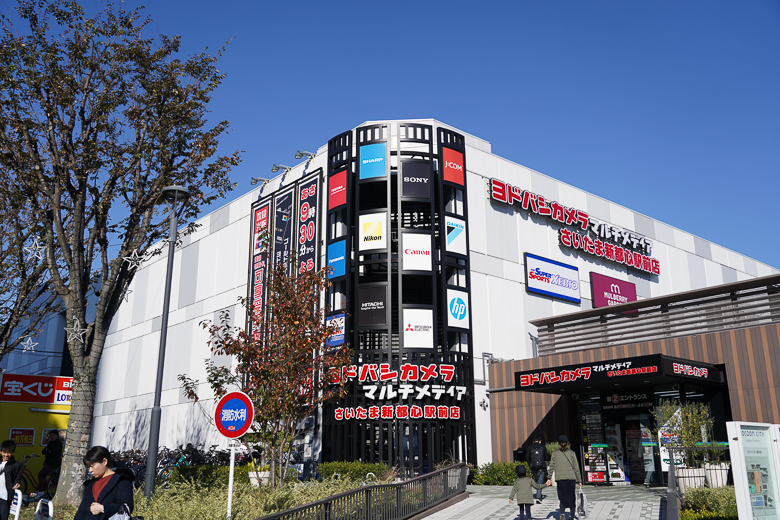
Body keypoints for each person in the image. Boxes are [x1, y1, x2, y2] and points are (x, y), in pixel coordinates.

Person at [73, 446, 134, 520]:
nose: (90, 470)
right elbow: (81, 512)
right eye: (88, 467)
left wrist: (103, 508)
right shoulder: (90, 485)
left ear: (104, 461)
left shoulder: (121, 481)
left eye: (92, 466)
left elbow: (127, 507)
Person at [548, 434, 582, 520]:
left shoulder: (554, 453)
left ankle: (562, 513)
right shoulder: (572, 453)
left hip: (560, 478)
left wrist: (549, 477)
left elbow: (551, 466)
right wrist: (579, 480)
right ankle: (572, 517)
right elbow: (576, 467)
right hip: (570, 478)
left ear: (559, 443)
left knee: (562, 497)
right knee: (571, 498)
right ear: (567, 443)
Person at [35, 430, 63, 495]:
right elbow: (43, 451)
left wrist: (48, 451)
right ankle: (41, 487)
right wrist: (48, 451)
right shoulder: (51, 443)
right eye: (51, 435)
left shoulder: (58, 443)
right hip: (48, 462)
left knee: (41, 474)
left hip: (53, 463)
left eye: (54, 435)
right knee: (43, 476)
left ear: (57, 436)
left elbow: (53, 453)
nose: (52, 437)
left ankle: (41, 491)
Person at [0, 440, 22, 520]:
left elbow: (17, 478)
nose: (6, 454)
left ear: (13, 452)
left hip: (5, 496)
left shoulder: (15, 465)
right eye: (4, 452)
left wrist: (17, 484)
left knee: (3, 517)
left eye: (9, 452)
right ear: (0, 451)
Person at [526, 435, 550, 503]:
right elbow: (547, 457)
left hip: (533, 467)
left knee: (537, 480)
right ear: (540, 441)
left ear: (533, 441)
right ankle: (538, 497)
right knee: (540, 482)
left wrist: (530, 465)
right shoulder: (542, 446)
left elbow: (527, 457)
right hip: (541, 467)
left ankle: (539, 493)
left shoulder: (530, 447)